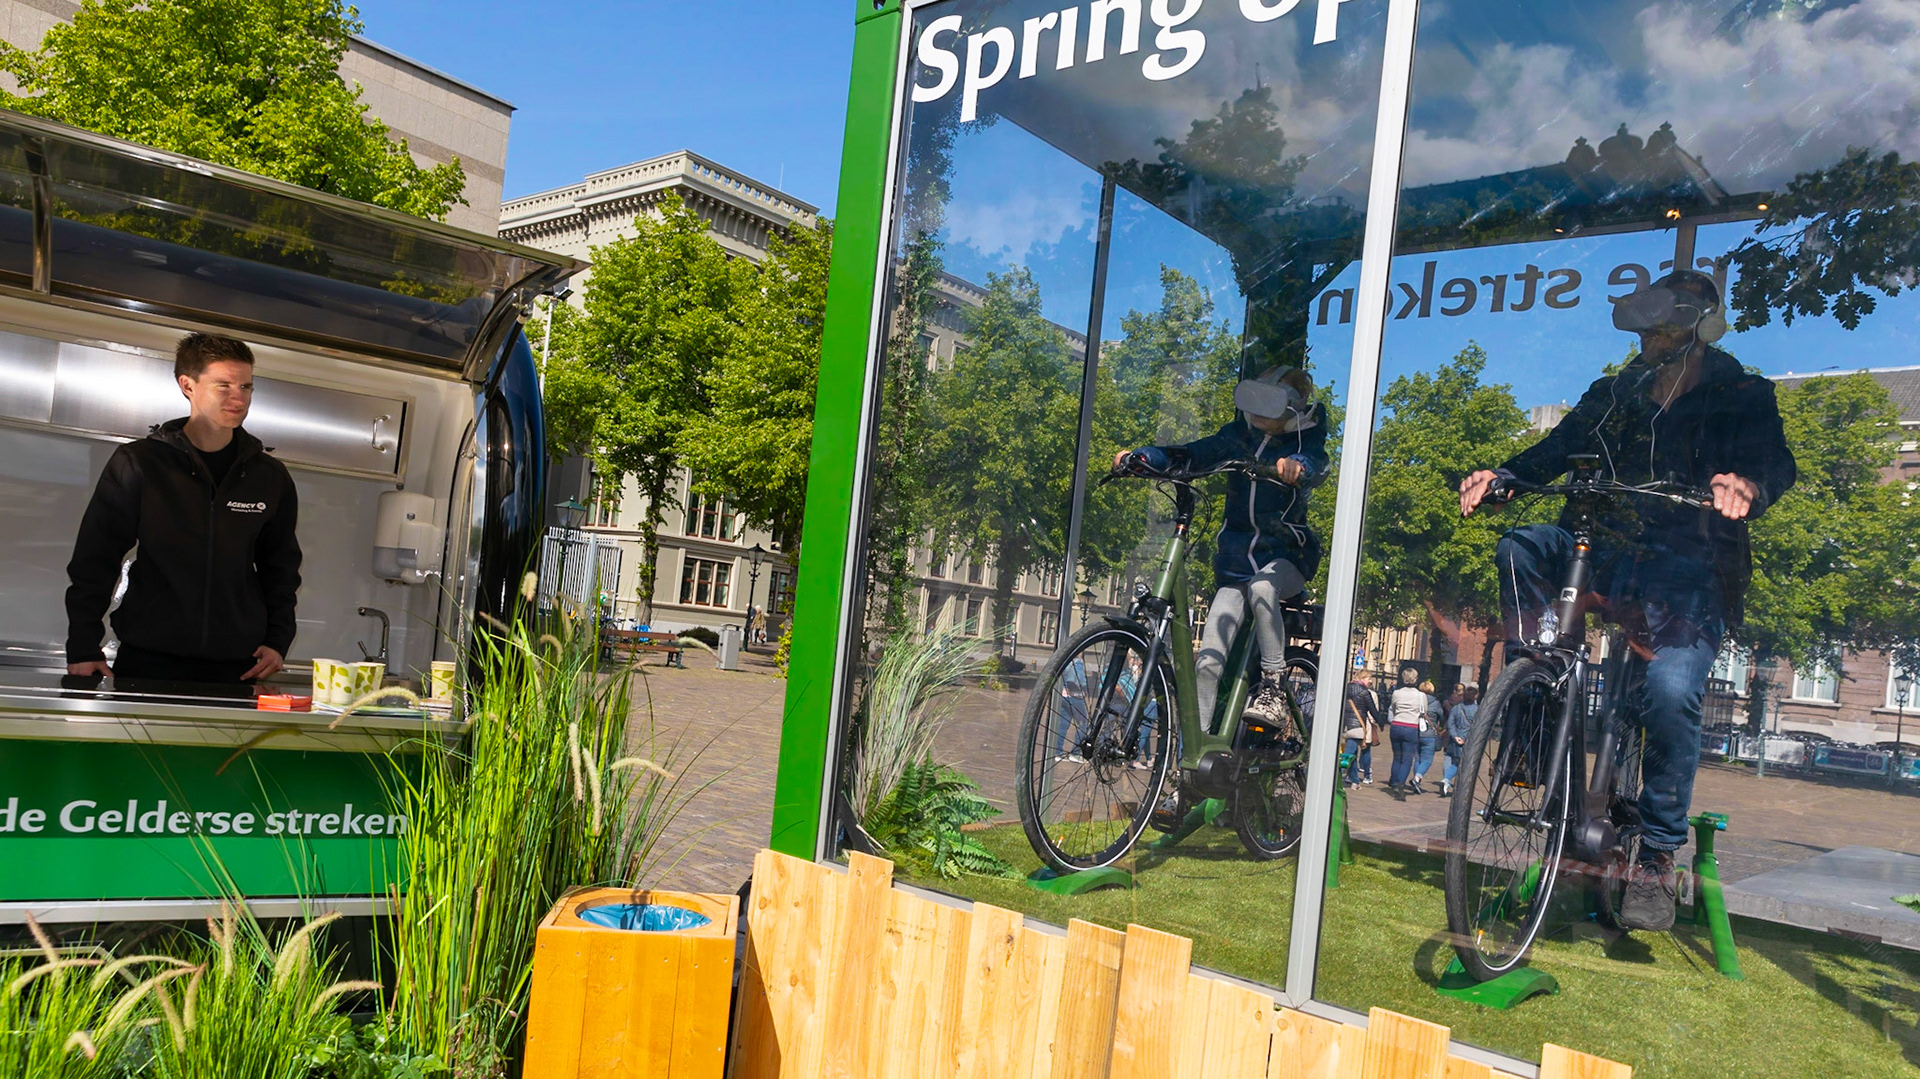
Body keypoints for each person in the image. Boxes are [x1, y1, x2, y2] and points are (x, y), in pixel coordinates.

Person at [1458, 268, 1795, 931]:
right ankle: (1533, 716)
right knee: (1522, 546)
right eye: (1646, 323)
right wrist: (1504, 476)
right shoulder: (1615, 394)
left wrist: (1748, 486)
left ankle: (1658, 854)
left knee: (1669, 692)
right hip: (1611, 551)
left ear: (1697, 327)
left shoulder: (1742, 393)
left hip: (1689, 571)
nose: (1649, 335)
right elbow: (1557, 448)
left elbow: (1775, 461)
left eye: (1663, 323)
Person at [66, 333, 302, 685]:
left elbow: (280, 568)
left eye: (247, 387)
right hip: (148, 660)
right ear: (187, 385)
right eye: (224, 385)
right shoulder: (140, 463)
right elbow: (95, 560)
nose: (239, 398)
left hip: (237, 665)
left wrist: (277, 640)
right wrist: (83, 647)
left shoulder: (269, 476)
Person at [1117, 366, 1328, 733]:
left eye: (1271, 401)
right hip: (1236, 564)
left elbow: (1316, 463)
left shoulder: (1302, 442)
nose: (1259, 409)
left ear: (1292, 409)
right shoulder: (1237, 437)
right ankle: (1193, 757)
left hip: (1287, 556)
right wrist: (1145, 457)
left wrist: (1297, 467)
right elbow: (1195, 453)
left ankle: (1274, 687)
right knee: (1208, 662)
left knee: (1264, 588)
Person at [1386, 670, 1427, 796]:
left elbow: (1393, 707)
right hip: (1411, 727)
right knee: (1407, 758)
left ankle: (1393, 780)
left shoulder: (1396, 693)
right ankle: (1400, 783)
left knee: (1397, 756)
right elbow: (1424, 711)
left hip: (1396, 725)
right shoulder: (1421, 695)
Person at [1343, 662, 1380, 787]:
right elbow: (1373, 710)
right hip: (1358, 725)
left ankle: (1355, 780)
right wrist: (1381, 722)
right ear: (1363, 678)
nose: (1370, 681)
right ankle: (1336, 775)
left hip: (1345, 725)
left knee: (1352, 755)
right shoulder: (1365, 692)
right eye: (1369, 678)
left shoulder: (1346, 688)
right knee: (1348, 754)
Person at [1411, 682, 1448, 794]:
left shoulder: (1415, 699)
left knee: (1418, 759)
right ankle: (1417, 778)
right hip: (1429, 733)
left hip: (1416, 731)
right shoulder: (1435, 702)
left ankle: (1416, 782)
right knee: (1427, 760)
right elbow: (1441, 716)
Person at [1442, 685, 1477, 797]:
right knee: (1461, 765)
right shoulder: (1477, 710)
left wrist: (1455, 736)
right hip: (1468, 741)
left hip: (1455, 740)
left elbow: (1450, 723)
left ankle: (1448, 781)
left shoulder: (1456, 708)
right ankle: (1447, 779)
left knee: (1454, 761)